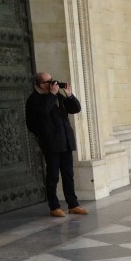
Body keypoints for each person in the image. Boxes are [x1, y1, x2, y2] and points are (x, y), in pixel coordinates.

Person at [25, 72, 87, 218]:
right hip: (50, 144)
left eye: (52, 80)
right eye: (49, 81)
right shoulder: (34, 99)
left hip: (65, 141)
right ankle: (54, 207)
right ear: (41, 84)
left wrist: (69, 95)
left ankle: (73, 205)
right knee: (53, 176)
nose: (53, 83)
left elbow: (75, 109)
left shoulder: (57, 96)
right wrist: (52, 95)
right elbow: (43, 112)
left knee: (68, 175)